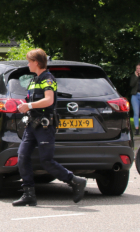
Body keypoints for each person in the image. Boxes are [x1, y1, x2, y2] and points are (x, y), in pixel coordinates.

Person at [13, 49, 87, 206]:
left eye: (29, 61)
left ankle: (74, 181)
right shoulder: (34, 80)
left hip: (45, 125)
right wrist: (23, 105)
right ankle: (28, 194)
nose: (28, 64)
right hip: (32, 125)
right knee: (22, 156)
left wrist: (29, 105)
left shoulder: (48, 79)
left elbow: (48, 100)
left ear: (37, 63)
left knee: (46, 160)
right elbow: (29, 101)